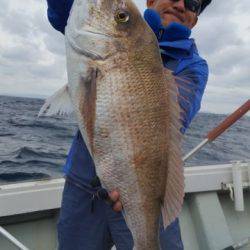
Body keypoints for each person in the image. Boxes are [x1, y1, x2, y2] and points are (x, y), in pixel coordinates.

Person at [46, 0, 211, 249]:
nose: (180, 4)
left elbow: (177, 119)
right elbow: (65, 11)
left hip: (144, 192)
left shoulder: (194, 66)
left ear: (195, 20)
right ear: (151, 1)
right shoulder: (94, 33)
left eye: (192, 3)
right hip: (84, 187)